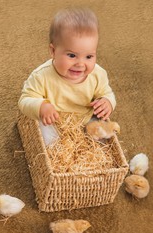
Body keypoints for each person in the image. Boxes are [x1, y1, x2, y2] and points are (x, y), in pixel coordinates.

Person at [18, 8, 116, 145]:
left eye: (89, 56)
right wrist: (41, 106)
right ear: (53, 51)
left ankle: (89, 151)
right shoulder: (42, 76)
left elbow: (107, 92)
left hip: (85, 120)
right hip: (54, 121)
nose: (80, 64)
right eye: (71, 55)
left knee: (103, 136)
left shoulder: (98, 74)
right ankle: (57, 152)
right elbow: (24, 100)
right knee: (47, 136)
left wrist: (107, 102)